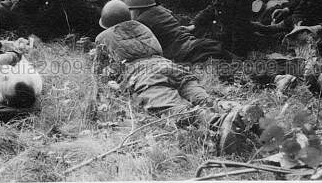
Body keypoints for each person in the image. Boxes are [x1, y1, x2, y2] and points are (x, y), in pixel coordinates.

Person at [95, 12, 264, 155]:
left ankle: (218, 123)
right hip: (170, 66)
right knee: (205, 99)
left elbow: (101, 75)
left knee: (175, 109)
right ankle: (237, 111)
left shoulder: (103, 38)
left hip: (144, 75)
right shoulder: (141, 27)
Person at [124, 0, 232, 64]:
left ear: (136, 9)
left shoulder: (141, 22)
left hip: (181, 51)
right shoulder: (161, 10)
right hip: (191, 42)